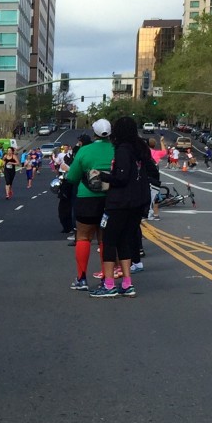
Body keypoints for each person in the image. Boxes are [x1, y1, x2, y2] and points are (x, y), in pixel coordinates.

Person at [89, 116, 153, 299]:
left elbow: (121, 178)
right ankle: (127, 283)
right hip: (135, 203)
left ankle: (109, 284)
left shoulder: (123, 150)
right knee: (124, 241)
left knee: (109, 242)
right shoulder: (139, 150)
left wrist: (102, 175)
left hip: (119, 203)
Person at [63, 119, 114, 292]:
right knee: (104, 239)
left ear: (94, 133)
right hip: (110, 199)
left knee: (83, 237)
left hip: (87, 198)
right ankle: (106, 278)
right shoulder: (115, 149)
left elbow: (72, 177)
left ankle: (81, 278)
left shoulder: (85, 150)